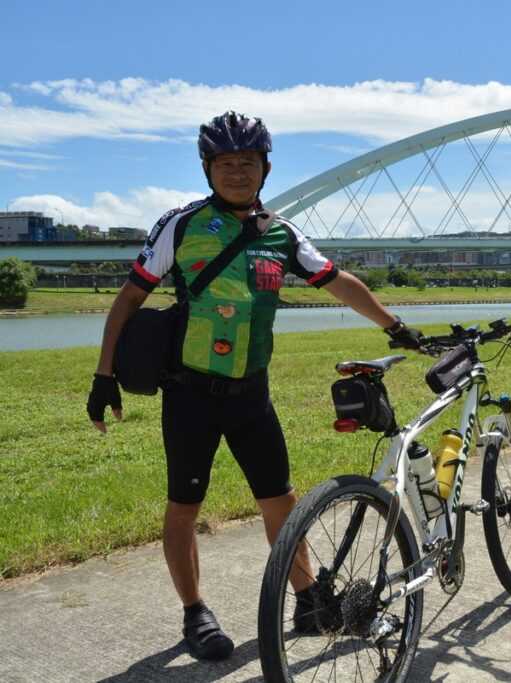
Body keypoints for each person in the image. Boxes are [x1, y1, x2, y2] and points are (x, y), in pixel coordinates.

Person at [85, 111, 422, 661]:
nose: (236, 172)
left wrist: (394, 326)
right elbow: (128, 299)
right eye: (225, 163)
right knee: (184, 505)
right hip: (191, 394)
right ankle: (195, 612)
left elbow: (336, 281)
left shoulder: (280, 233)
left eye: (247, 162)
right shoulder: (182, 226)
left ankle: (309, 597)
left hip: (251, 394)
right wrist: (104, 376)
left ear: (265, 168)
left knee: (281, 503)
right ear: (208, 168)